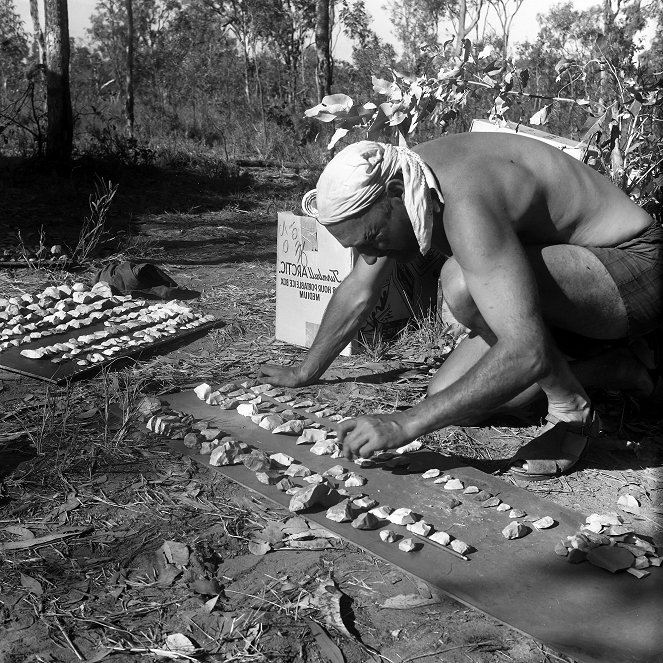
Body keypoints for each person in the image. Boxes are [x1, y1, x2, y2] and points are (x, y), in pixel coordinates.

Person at [259, 135, 662, 479]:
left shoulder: (464, 199)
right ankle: (616, 366)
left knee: (462, 283)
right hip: (566, 283)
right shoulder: (402, 184)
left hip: (635, 268)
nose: (368, 256)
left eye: (370, 239)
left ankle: (572, 407)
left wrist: (404, 424)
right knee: (449, 396)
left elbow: (526, 350)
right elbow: (360, 289)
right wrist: (305, 371)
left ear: (395, 196)